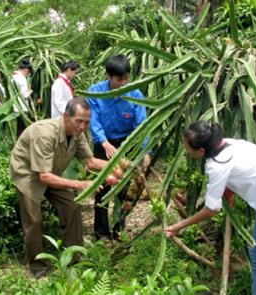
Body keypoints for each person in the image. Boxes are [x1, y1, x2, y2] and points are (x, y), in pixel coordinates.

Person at [165, 121, 256, 295]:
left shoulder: (217, 165)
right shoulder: (227, 145)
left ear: (201, 151)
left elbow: (212, 209)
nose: (186, 150)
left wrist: (178, 226)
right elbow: (233, 176)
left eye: (187, 148)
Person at [10, 98, 107, 278]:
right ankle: (37, 264)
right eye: (78, 121)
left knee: (72, 205)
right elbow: (43, 176)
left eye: (86, 122)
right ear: (65, 116)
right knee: (34, 219)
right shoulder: (45, 133)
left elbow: (91, 161)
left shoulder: (78, 134)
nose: (82, 126)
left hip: (50, 171)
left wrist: (120, 167)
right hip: (28, 172)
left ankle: (73, 257)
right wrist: (80, 184)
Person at [87, 54, 151, 241]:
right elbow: (94, 121)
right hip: (103, 144)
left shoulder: (136, 95)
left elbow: (142, 126)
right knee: (102, 188)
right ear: (108, 75)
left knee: (123, 189)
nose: (123, 83)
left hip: (126, 144)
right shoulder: (96, 93)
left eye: (126, 78)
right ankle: (100, 234)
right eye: (118, 79)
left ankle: (118, 230)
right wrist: (104, 142)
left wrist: (145, 151)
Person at [12, 59, 34, 137]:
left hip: (13, 109)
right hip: (21, 109)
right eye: (28, 73)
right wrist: (30, 91)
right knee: (22, 133)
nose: (28, 75)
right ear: (26, 70)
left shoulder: (12, 77)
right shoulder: (22, 78)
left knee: (15, 131)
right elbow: (25, 95)